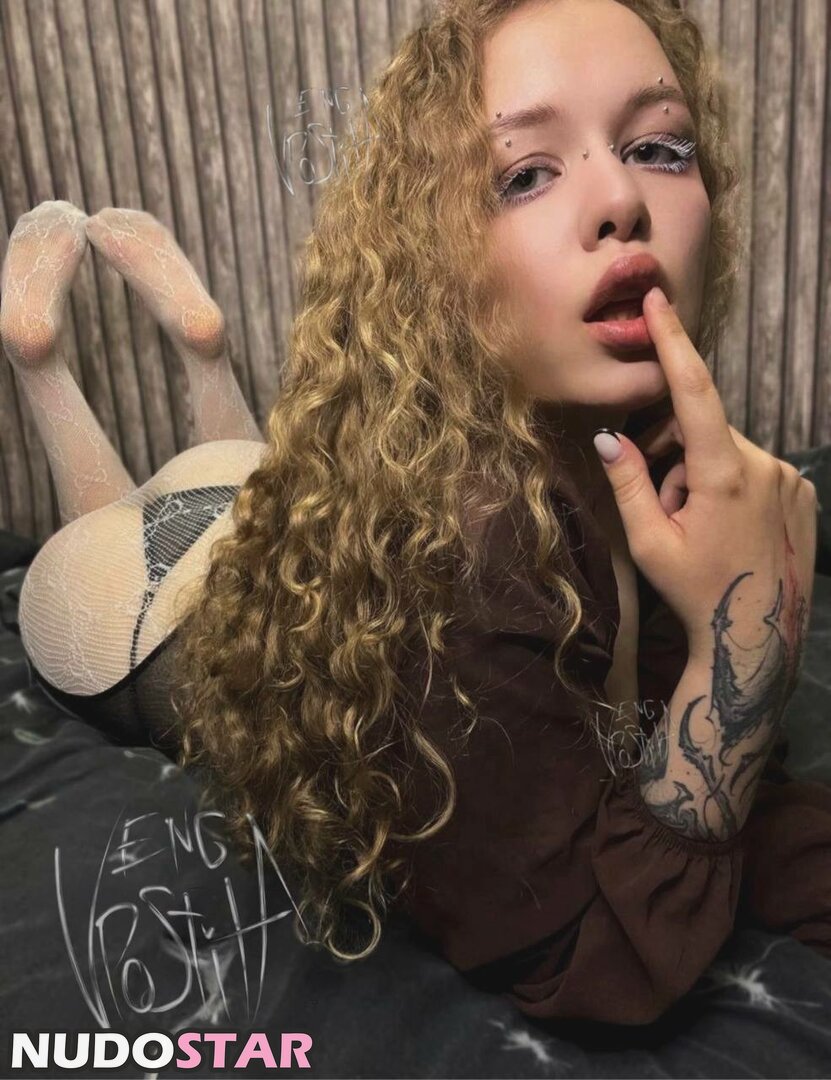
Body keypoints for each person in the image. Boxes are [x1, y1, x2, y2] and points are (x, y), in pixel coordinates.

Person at [2, 0, 828, 1028]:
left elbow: (660, 742)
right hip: (146, 622)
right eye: (524, 175)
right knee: (111, 524)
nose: (620, 199)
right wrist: (750, 645)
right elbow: (592, 962)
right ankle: (38, 358)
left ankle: (203, 348)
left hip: (267, 525)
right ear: (435, 260)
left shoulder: (638, 446)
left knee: (240, 472)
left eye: (658, 147)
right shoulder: (474, 551)